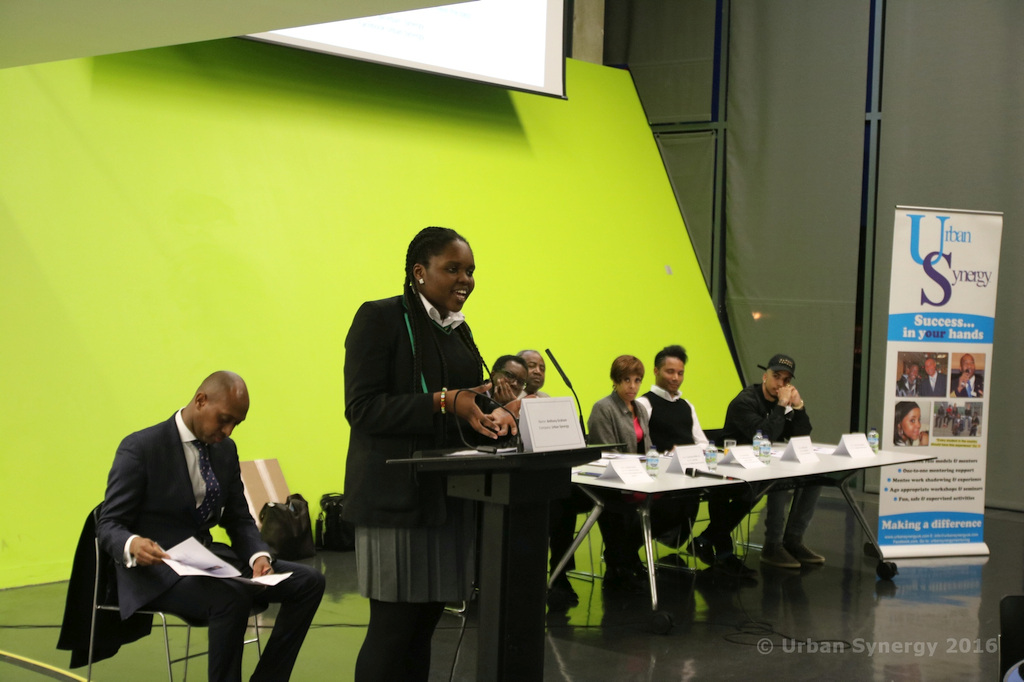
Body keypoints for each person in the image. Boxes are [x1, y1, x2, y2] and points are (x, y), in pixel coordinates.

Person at [342, 226, 516, 682]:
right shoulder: (380, 318)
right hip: (396, 500)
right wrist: (444, 401)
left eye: (470, 271)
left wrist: (494, 412)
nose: (466, 279)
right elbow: (362, 410)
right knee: (394, 630)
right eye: (453, 268)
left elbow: (460, 403)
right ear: (419, 272)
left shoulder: (457, 330)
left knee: (423, 630)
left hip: (447, 498)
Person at [96, 371, 325, 682]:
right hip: (158, 572)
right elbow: (109, 523)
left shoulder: (225, 451)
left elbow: (239, 518)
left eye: (236, 424)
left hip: (207, 563)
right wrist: (132, 543)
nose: (228, 431)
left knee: (309, 582)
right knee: (231, 597)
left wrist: (258, 557)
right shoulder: (141, 448)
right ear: (201, 401)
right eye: (224, 419)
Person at [633, 345, 734, 573]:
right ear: (656, 371)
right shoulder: (644, 404)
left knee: (729, 493)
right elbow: (640, 449)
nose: (675, 378)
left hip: (691, 477)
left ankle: (721, 551)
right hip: (662, 480)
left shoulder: (687, 406)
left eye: (680, 373)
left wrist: (692, 454)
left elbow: (703, 443)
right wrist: (669, 456)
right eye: (670, 372)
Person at [722, 354, 822, 570]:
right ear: (764, 376)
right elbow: (763, 437)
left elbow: (801, 436)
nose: (780, 384)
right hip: (736, 467)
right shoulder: (745, 402)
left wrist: (798, 406)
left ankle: (793, 540)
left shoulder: (781, 403)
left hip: (765, 463)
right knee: (779, 478)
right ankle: (773, 545)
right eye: (776, 376)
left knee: (815, 477)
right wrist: (782, 405)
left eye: (786, 380)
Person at [584, 355, 657, 591]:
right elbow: (608, 453)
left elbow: (647, 446)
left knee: (673, 504)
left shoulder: (640, 409)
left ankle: (624, 556)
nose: (633, 386)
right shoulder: (603, 408)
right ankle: (621, 562)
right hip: (612, 481)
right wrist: (638, 472)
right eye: (627, 380)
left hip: (639, 477)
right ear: (615, 380)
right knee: (626, 507)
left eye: (637, 380)